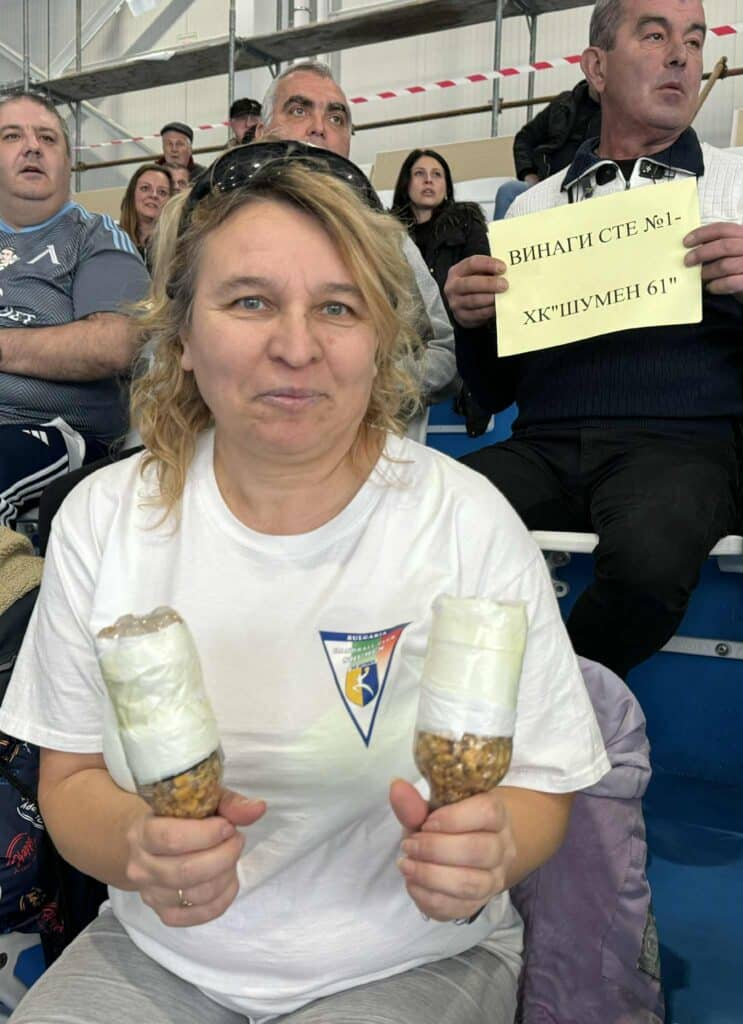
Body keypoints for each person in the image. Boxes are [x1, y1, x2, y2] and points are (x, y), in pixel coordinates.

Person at [0, 156, 608, 1024]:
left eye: (337, 307)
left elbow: (545, 780)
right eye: (250, 301)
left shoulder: (466, 521)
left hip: (406, 959)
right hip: (158, 951)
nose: (297, 346)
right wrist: (138, 844)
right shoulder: (106, 518)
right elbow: (70, 779)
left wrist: (497, 844)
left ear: (380, 338)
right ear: (181, 335)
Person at [445, 0, 743, 680]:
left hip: (683, 447)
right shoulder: (533, 207)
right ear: (597, 68)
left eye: (694, 40)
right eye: (655, 35)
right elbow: (495, 391)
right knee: (420, 518)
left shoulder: (741, 187)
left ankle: (551, 710)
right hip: (545, 446)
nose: (681, 56)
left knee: (648, 564)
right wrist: (472, 323)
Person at [256, 60, 459, 441]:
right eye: (298, 110)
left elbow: (443, 352)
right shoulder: (213, 227)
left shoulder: (388, 240)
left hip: (361, 449)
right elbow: (166, 351)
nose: (319, 127)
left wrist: (366, 387)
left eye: (336, 118)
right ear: (261, 132)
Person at [0, 92, 150, 526]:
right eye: (12, 136)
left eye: (47, 138)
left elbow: (113, 344)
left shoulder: (95, 236)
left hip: (48, 430)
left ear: (68, 163)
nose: (32, 146)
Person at [391, 149, 492, 437]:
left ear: (447, 186)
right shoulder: (387, 233)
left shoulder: (466, 222)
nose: (428, 181)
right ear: (406, 184)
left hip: (453, 335)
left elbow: (479, 281)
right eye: (419, 174)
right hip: (402, 338)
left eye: (437, 175)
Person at [494, 80, 601, 220]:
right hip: (546, 182)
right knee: (507, 191)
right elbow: (524, 138)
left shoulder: (617, 112)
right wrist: (528, 173)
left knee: (592, 203)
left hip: (587, 185)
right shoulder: (564, 103)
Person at [118, 163, 172, 272]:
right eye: (145, 188)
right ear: (132, 194)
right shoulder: (113, 241)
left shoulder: (178, 247)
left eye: (162, 192)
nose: (154, 195)